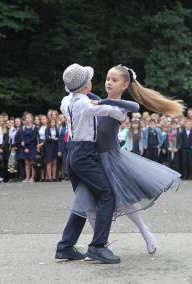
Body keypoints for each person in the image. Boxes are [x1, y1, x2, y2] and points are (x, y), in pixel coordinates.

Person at [71, 64, 182, 255]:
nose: (108, 82)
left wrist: (104, 103)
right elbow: (81, 96)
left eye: (114, 80)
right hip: (92, 159)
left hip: (112, 159)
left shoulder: (120, 108)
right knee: (88, 205)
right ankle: (99, 244)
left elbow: (134, 106)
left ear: (125, 85)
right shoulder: (98, 100)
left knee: (122, 202)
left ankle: (146, 233)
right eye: (107, 79)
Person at [56, 63, 125, 264]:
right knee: (106, 195)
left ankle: (65, 247)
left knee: (84, 200)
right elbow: (114, 112)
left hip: (73, 153)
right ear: (86, 86)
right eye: (89, 81)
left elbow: (86, 99)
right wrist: (118, 109)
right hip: (84, 154)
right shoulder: (84, 104)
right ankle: (98, 246)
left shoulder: (66, 100)